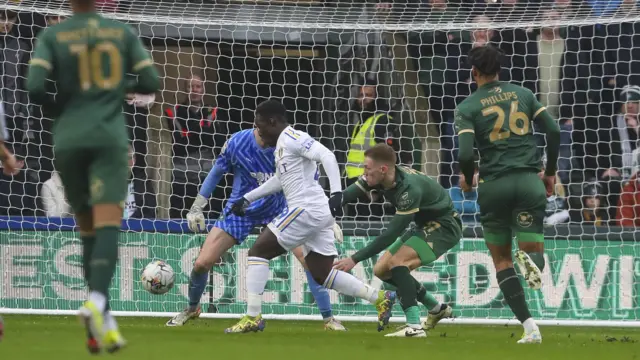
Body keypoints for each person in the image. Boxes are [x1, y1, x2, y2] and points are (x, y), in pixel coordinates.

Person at [26, 0, 160, 353]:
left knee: (86, 229)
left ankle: (106, 319)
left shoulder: (53, 34)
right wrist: (116, 86)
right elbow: (150, 80)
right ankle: (97, 300)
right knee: (108, 225)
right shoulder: (119, 32)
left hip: (67, 139)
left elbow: (35, 87)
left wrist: (63, 108)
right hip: (107, 138)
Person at [226, 99, 395, 333]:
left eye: (260, 124)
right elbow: (280, 180)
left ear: (272, 121)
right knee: (322, 273)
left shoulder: (293, 137)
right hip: (317, 212)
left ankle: (253, 316)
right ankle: (380, 297)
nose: (258, 130)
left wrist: (337, 193)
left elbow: (327, 155)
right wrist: (248, 198)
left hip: (305, 209)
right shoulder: (282, 147)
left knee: (258, 252)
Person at [166, 127, 346, 331]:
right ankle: (192, 308)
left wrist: (327, 218)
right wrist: (198, 205)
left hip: (281, 209)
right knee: (201, 263)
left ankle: (329, 319)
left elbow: (308, 181)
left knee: (309, 262)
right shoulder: (238, 142)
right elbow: (217, 171)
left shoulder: (286, 144)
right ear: (258, 128)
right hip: (242, 209)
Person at [455, 45, 561, 344]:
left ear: (473, 72)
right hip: (529, 181)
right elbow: (553, 131)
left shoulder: (468, 107)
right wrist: (549, 171)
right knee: (532, 250)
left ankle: (530, 327)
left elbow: (464, 152)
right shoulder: (523, 94)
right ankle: (532, 260)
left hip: (494, 186)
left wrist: (467, 178)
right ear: (500, 70)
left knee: (502, 261)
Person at [334, 143, 460, 337]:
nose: (364, 173)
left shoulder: (409, 190)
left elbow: (390, 234)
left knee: (397, 263)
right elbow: (346, 195)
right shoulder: (379, 177)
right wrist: (324, 207)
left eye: (367, 168)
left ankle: (414, 327)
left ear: (383, 169)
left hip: (444, 225)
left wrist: (354, 259)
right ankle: (436, 308)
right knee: (381, 270)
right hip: (424, 224)